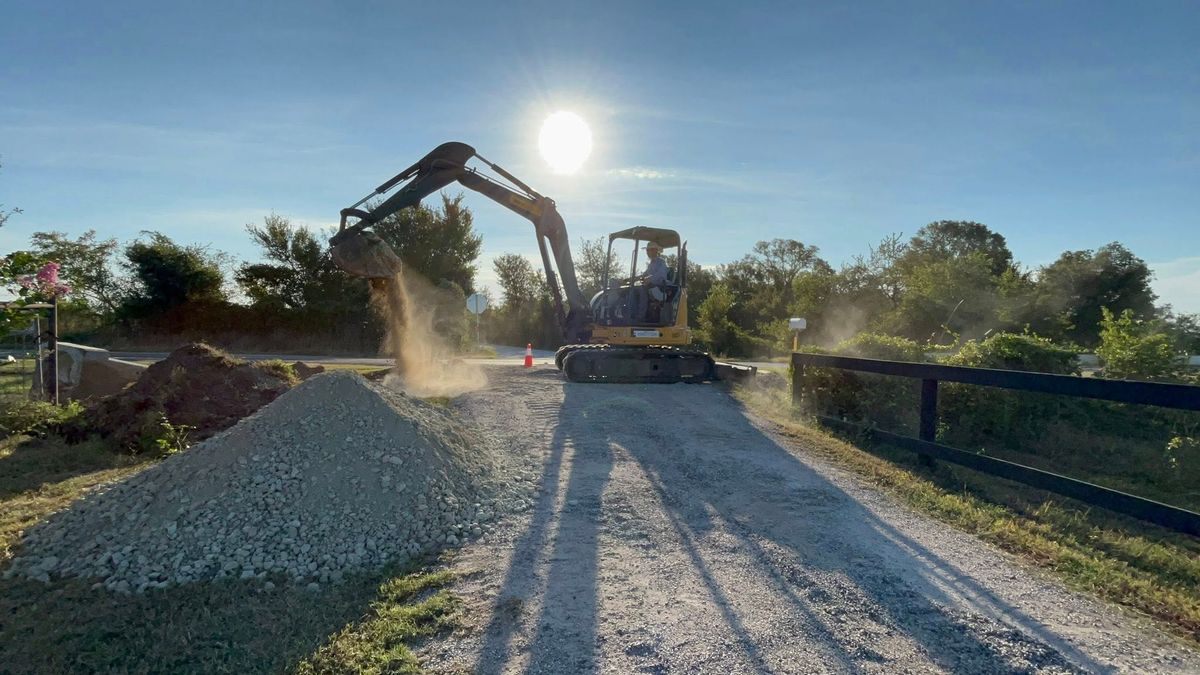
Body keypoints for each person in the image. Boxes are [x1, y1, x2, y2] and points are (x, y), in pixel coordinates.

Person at [629, 241, 668, 322]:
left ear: (655, 250)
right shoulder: (651, 264)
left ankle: (641, 317)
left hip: (660, 288)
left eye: (648, 250)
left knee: (642, 289)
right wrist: (632, 279)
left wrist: (649, 278)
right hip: (651, 286)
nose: (647, 252)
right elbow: (644, 274)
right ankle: (631, 314)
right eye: (647, 250)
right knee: (632, 289)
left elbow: (661, 275)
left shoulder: (661, 262)